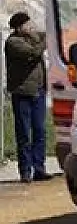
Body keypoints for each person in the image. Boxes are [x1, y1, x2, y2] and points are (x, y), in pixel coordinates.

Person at [5, 12, 52, 182]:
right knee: (24, 133)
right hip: (22, 93)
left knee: (40, 131)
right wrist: (44, 41)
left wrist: (41, 36)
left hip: (38, 91)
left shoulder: (32, 37)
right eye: (26, 24)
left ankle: (39, 168)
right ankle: (25, 170)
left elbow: (45, 35)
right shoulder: (13, 42)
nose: (30, 26)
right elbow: (32, 53)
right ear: (19, 27)